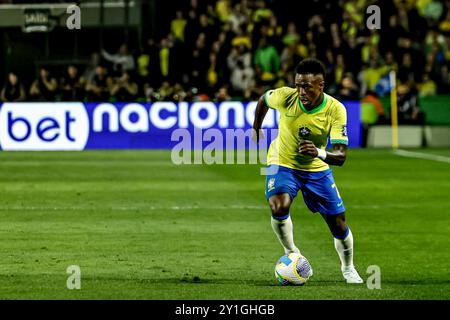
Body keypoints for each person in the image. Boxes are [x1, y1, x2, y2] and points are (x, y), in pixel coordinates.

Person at [252, 58, 363, 284]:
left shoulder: (335, 109)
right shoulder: (285, 96)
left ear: (320, 85)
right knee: (278, 205)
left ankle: (348, 268)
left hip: (316, 168)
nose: (301, 91)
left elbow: (340, 157)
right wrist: (256, 127)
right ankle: (292, 252)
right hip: (282, 161)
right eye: (298, 85)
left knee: (338, 224)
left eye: (307, 86)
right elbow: (264, 99)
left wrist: (319, 153)